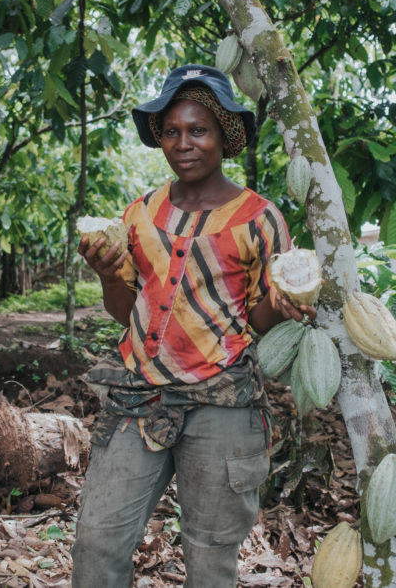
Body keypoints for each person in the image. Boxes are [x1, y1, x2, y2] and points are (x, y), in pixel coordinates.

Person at [72, 64, 316, 587]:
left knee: (209, 560)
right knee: (96, 540)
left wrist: (287, 304)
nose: (184, 143)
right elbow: (125, 309)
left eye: (198, 130)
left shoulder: (260, 219)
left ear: (225, 136)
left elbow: (257, 316)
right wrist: (108, 274)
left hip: (222, 401)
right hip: (140, 395)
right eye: (172, 132)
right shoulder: (140, 214)